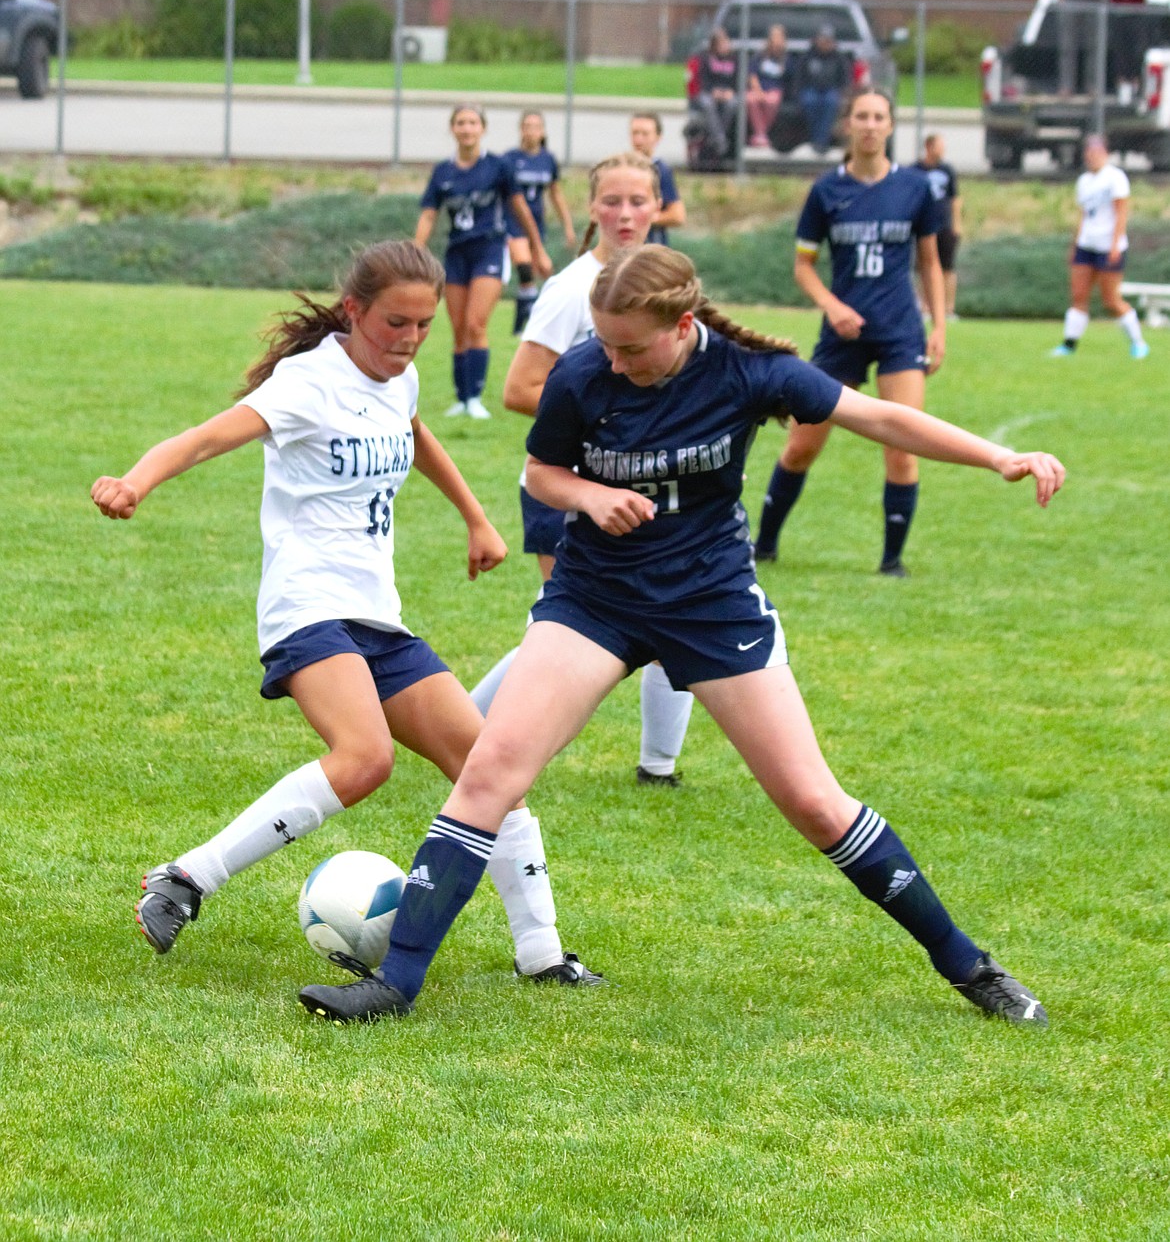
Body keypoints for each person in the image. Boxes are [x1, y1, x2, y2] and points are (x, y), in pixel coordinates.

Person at [297, 243, 1064, 1027]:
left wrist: (999, 456)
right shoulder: (585, 373)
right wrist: (591, 497)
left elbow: (878, 415)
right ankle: (395, 983)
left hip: (710, 601)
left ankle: (970, 965)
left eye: (632, 346)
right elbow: (540, 475)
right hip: (596, 599)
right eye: (605, 341)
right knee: (492, 769)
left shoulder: (747, 373)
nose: (614, 360)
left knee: (813, 801)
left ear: (683, 326)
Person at [92, 240, 598, 986]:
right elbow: (207, 436)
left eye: (425, 325)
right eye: (396, 322)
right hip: (307, 605)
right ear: (355, 311)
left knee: (490, 763)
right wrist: (136, 480)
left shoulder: (401, 375)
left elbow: (415, 433)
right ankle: (188, 877)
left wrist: (475, 517)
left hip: (375, 613)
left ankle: (543, 953)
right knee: (366, 758)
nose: (411, 339)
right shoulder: (306, 383)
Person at [477, 151, 695, 787]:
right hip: (567, 489)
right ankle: (464, 728)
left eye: (638, 201)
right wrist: (608, 426)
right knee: (564, 633)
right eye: (611, 202)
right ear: (590, 207)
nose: (625, 214)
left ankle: (659, 767)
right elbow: (520, 388)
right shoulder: (573, 288)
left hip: (645, 489)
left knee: (661, 618)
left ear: (660, 207)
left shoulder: (667, 282)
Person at [754, 89, 945, 576]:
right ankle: (765, 545)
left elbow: (930, 261)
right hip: (841, 336)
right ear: (848, 124)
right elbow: (803, 267)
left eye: (879, 116)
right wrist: (831, 305)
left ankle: (891, 561)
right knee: (801, 445)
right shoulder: (826, 191)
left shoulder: (915, 188)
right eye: (861, 115)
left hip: (900, 332)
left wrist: (939, 325)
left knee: (903, 445)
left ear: (890, 126)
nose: (870, 125)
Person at [415, 104, 552, 420]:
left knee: (476, 323)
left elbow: (520, 207)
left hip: (489, 251)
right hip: (456, 254)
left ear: (482, 129)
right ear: (453, 129)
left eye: (472, 122)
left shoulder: (498, 167)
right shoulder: (443, 172)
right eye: (460, 123)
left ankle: (476, 398)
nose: (466, 128)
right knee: (459, 328)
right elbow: (429, 214)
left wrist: (537, 248)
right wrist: (415, 251)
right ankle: (461, 399)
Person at [1051, 134, 1150, 360]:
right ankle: (1069, 344)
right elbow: (1084, 215)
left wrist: (1115, 245)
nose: (1091, 156)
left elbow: (1121, 212)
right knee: (1078, 295)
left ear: (1105, 153)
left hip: (1108, 246)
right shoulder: (1084, 181)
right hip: (1087, 244)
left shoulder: (1115, 178)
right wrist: (1075, 244)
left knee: (1110, 301)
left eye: (1096, 152)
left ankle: (1138, 342)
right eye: (1088, 152)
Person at [502, 110, 577, 336]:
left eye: (536, 126)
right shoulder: (510, 159)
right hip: (512, 222)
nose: (531, 131)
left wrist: (567, 225)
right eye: (527, 126)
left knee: (533, 277)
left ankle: (519, 328)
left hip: (537, 222)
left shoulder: (548, 160)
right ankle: (531, 325)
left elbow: (556, 194)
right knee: (525, 268)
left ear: (542, 131)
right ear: (520, 130)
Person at [914, 133, 963, 319]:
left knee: (948, 268)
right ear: (928, 147)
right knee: (923, 267)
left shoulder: (947, 170)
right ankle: (925, 307)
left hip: (944, 226)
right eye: (939, 146)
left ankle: (948, 308)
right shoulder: (916, 170)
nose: (942, 150)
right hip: (923, 227)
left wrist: (956, 224)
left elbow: (955, 199)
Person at [793, 24, 852, 155]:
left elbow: (845, 81)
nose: (825, 43)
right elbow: (799, 79)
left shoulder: (839, 59)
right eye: (823, 39)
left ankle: (821, 141)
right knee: (810, 101)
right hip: (811, 90)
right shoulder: (807, 57)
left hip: (831, 91)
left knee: (831, 102)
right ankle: (815, 139)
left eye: (828, 40)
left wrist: (845, 94)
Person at [630, 111, 687, 245]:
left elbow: (677, 216)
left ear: (658, 137)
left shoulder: (660, 171)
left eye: (645, 134)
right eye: (635, 133)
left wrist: (642, 218)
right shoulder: (622, 170)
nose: (638, 139)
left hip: (653, 248)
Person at [691, 28, 740, 161]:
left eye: (726, 42)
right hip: (710, 92)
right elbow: (702, 80)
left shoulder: (734, 59)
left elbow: (737, 80)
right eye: (721, 43)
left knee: (732, 104)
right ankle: (720, 140)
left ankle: (718, 138)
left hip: (728, 93)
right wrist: (714, 92)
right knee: (707, 104)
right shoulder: (706, 59)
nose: (725, 46)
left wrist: (730, 92)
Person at [746, 25, 789, 149]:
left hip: (775, 91)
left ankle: (760, 135)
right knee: (751, 99)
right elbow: (752, 75)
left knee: (771, 101)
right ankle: (761, 135)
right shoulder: (759, 56)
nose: (776, 40)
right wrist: (758, 91)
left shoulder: (786, 58)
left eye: (779, 37)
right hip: (759, 89)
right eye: (774, 37)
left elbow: (789, 80)